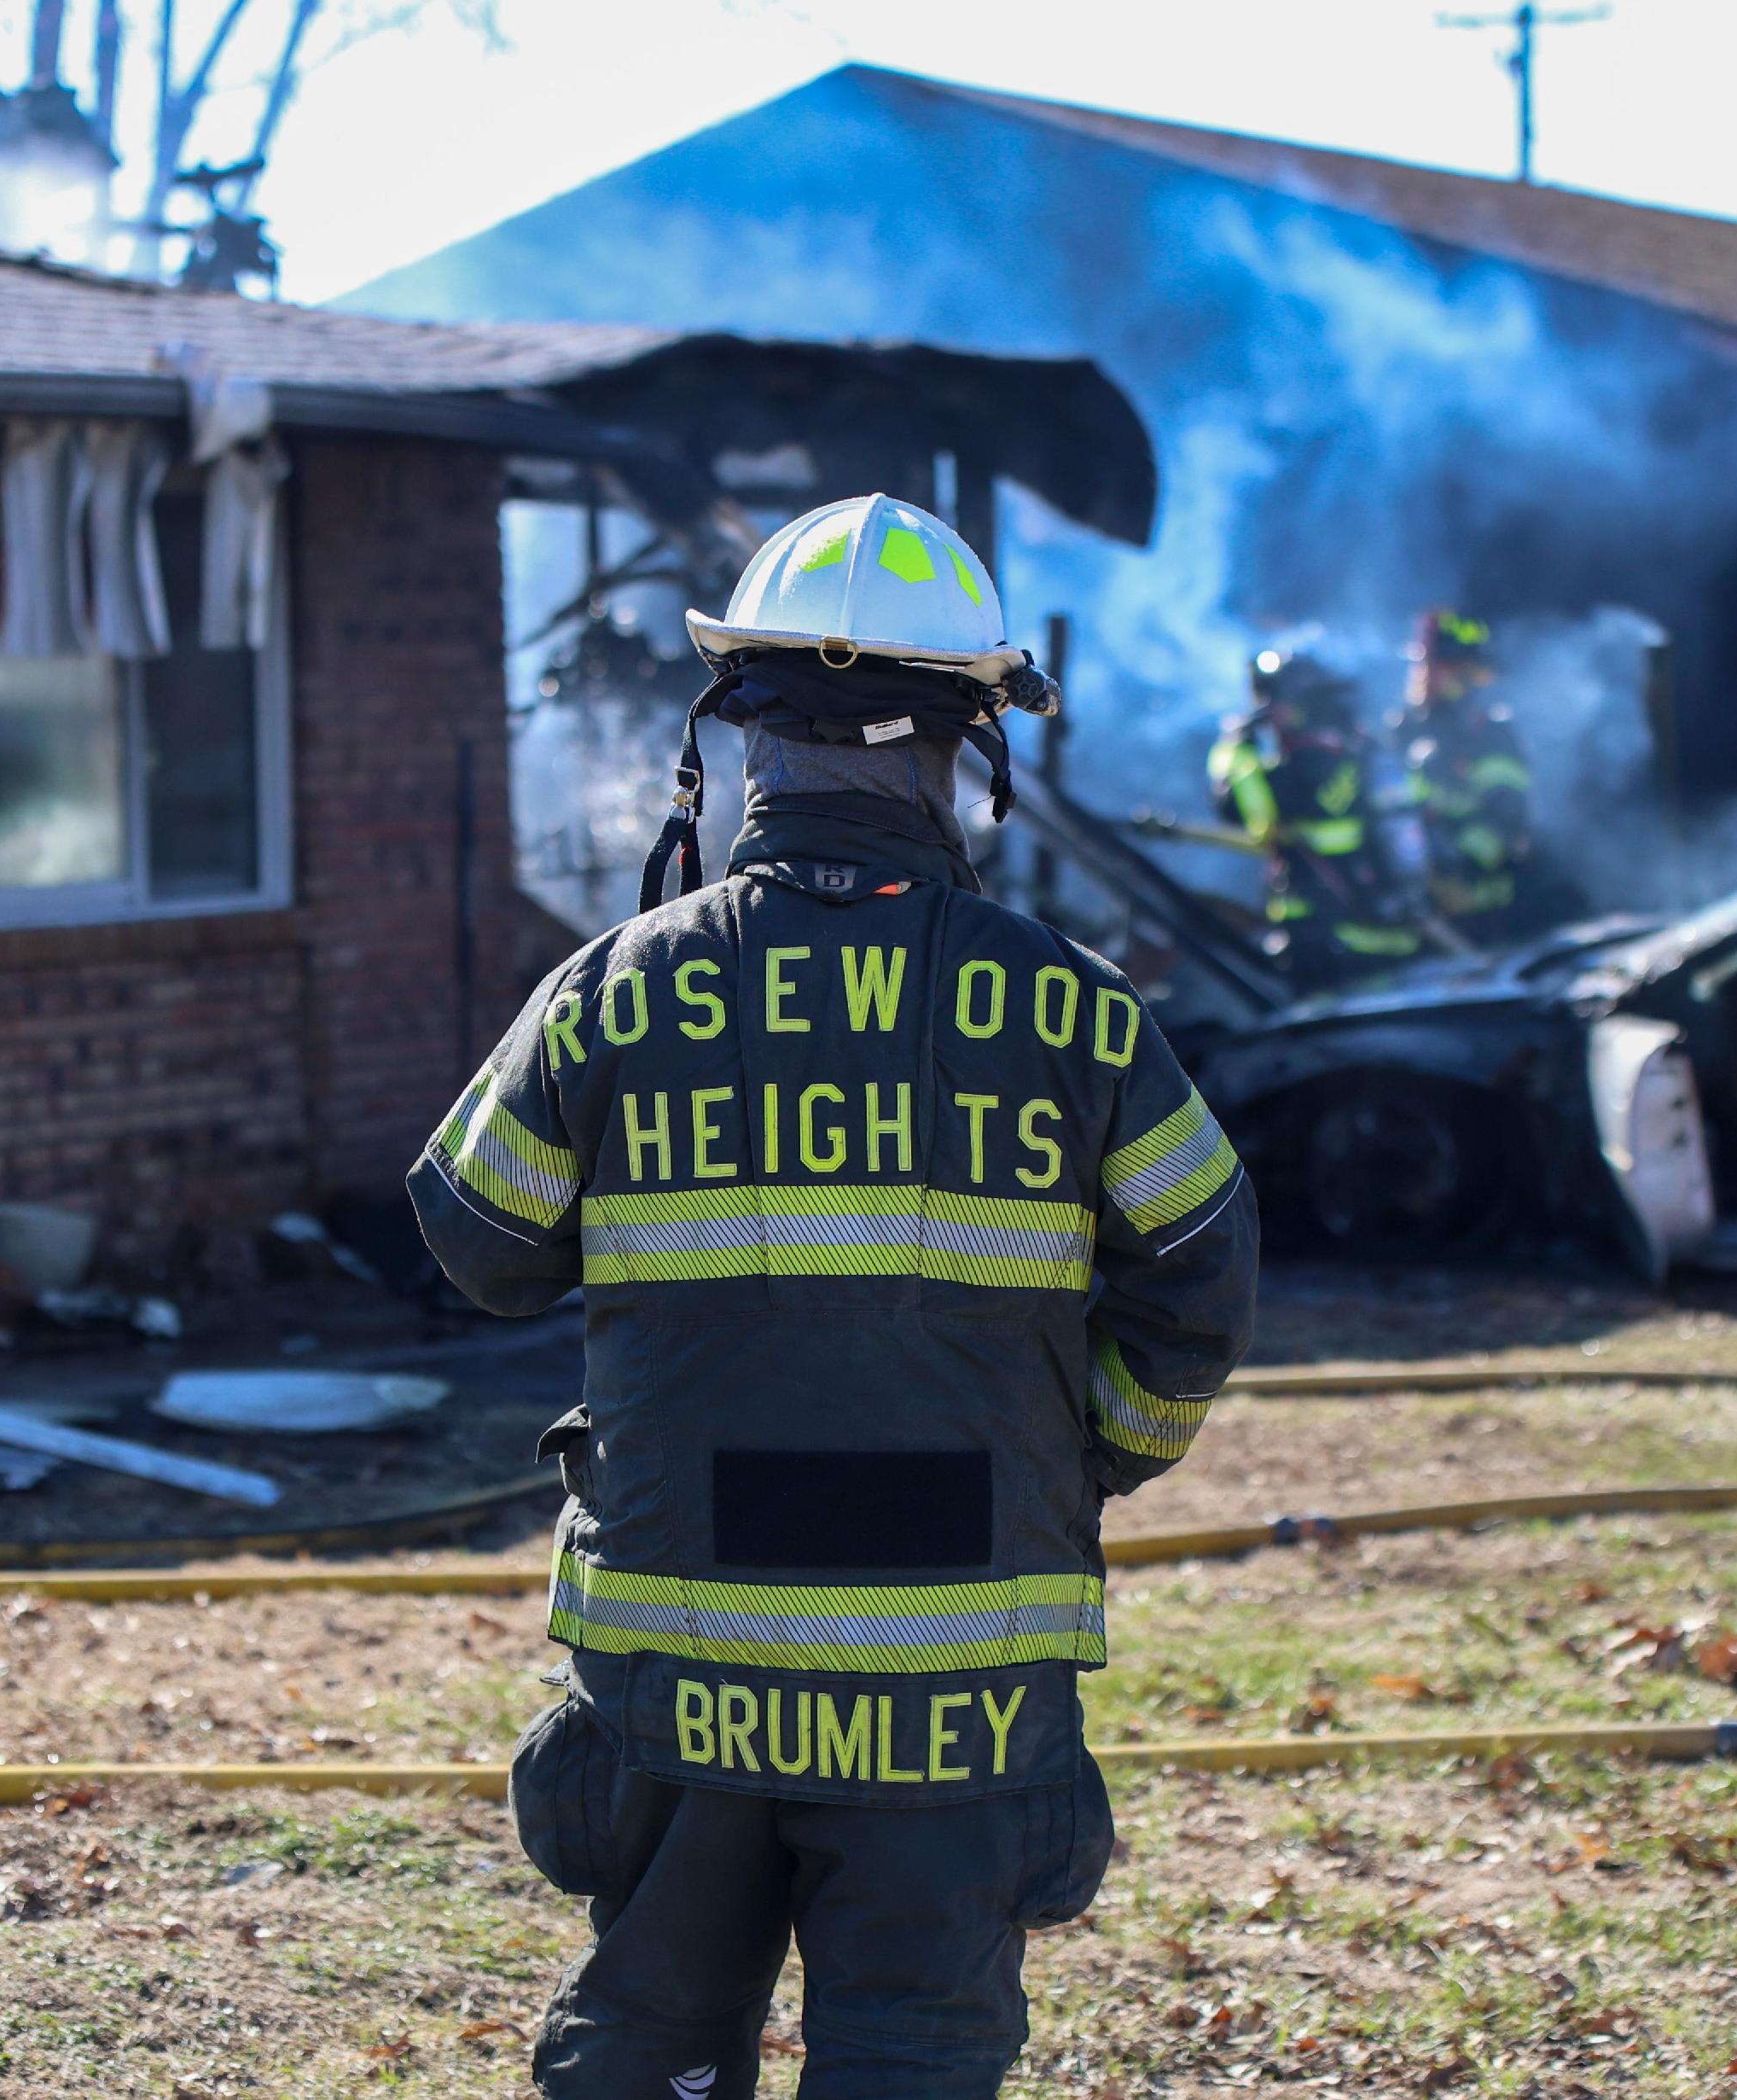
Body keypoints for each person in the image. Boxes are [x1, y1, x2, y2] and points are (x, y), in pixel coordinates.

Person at [410, 492, 1259, 2100]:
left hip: (682, 1675)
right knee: (913, 2054)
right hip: (954, 1690)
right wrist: (1088, 1451)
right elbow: (1203, 1276)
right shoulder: (1079, 1015)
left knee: (652, 2048)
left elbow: (479, 1239)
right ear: (964, 747)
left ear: (739, 736)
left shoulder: (611, 992)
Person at [1208, 646, 1421, 985]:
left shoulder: (1296, 770)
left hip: (1326, 941)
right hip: (1388, 936)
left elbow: (1244, 814)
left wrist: (1236, 747)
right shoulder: (1364, 750)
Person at [1386, 608, 1533, 943]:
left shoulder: (1489, 736)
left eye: (1432, 665)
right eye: (1419, 665)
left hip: (1483, 916)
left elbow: (1508, 824)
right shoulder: (1405, 732)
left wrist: (1456, 873)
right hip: (1422, 918)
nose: (1420, 675)